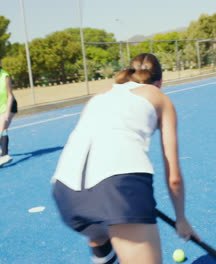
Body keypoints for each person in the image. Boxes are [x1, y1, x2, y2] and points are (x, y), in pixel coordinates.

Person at [51, 53, 198, 264]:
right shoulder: (159, 96)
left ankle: (102, 249)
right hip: (119, 187)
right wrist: (181, 220)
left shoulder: (100, 95)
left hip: (66, 193)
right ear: (160, 82)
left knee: (99, 233)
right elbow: (174, 178)